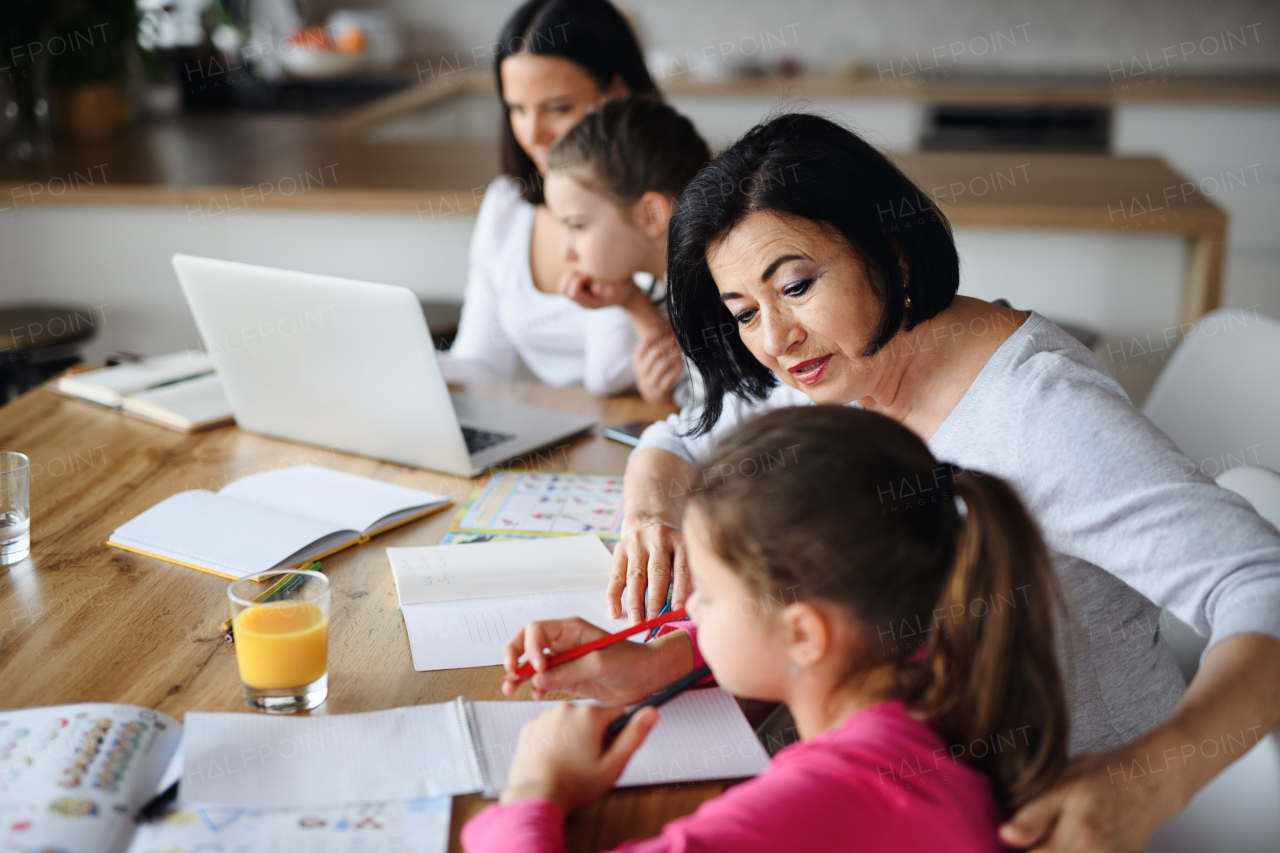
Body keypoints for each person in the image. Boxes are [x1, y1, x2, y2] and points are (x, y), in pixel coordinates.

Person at [604, 113, 1280, 851]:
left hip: (1065, 819)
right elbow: (681, 440)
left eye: (796, 285)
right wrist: (651, 529)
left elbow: (1263, 585)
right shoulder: (826, 368)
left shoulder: (1042, 417)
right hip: (906, 785)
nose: (773, 339)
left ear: (888, 252)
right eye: (744, 313)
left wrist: (1145, 780)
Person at [465, 407, 1067, 852]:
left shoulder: (822, 799)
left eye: (708, 591)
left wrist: (536, 789)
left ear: (804, 633)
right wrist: (658, 662)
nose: (686, 610)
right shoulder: (931, 659)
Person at [437, 0, 686, 405]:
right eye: (516, 109)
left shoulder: (662, 211)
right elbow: (480, 363)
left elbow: (612, 377)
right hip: (563, 436)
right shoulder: (507, 205)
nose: (532, 133)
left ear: (617, 93)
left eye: (556, 108)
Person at [543, 96, 711, 407]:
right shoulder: (668, 281)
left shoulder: (708, 287)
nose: (566, 251)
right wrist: (631, 301)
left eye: (577, 226)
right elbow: (695, 386)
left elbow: (713, 414)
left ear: (652, 215)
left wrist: (671, 397)